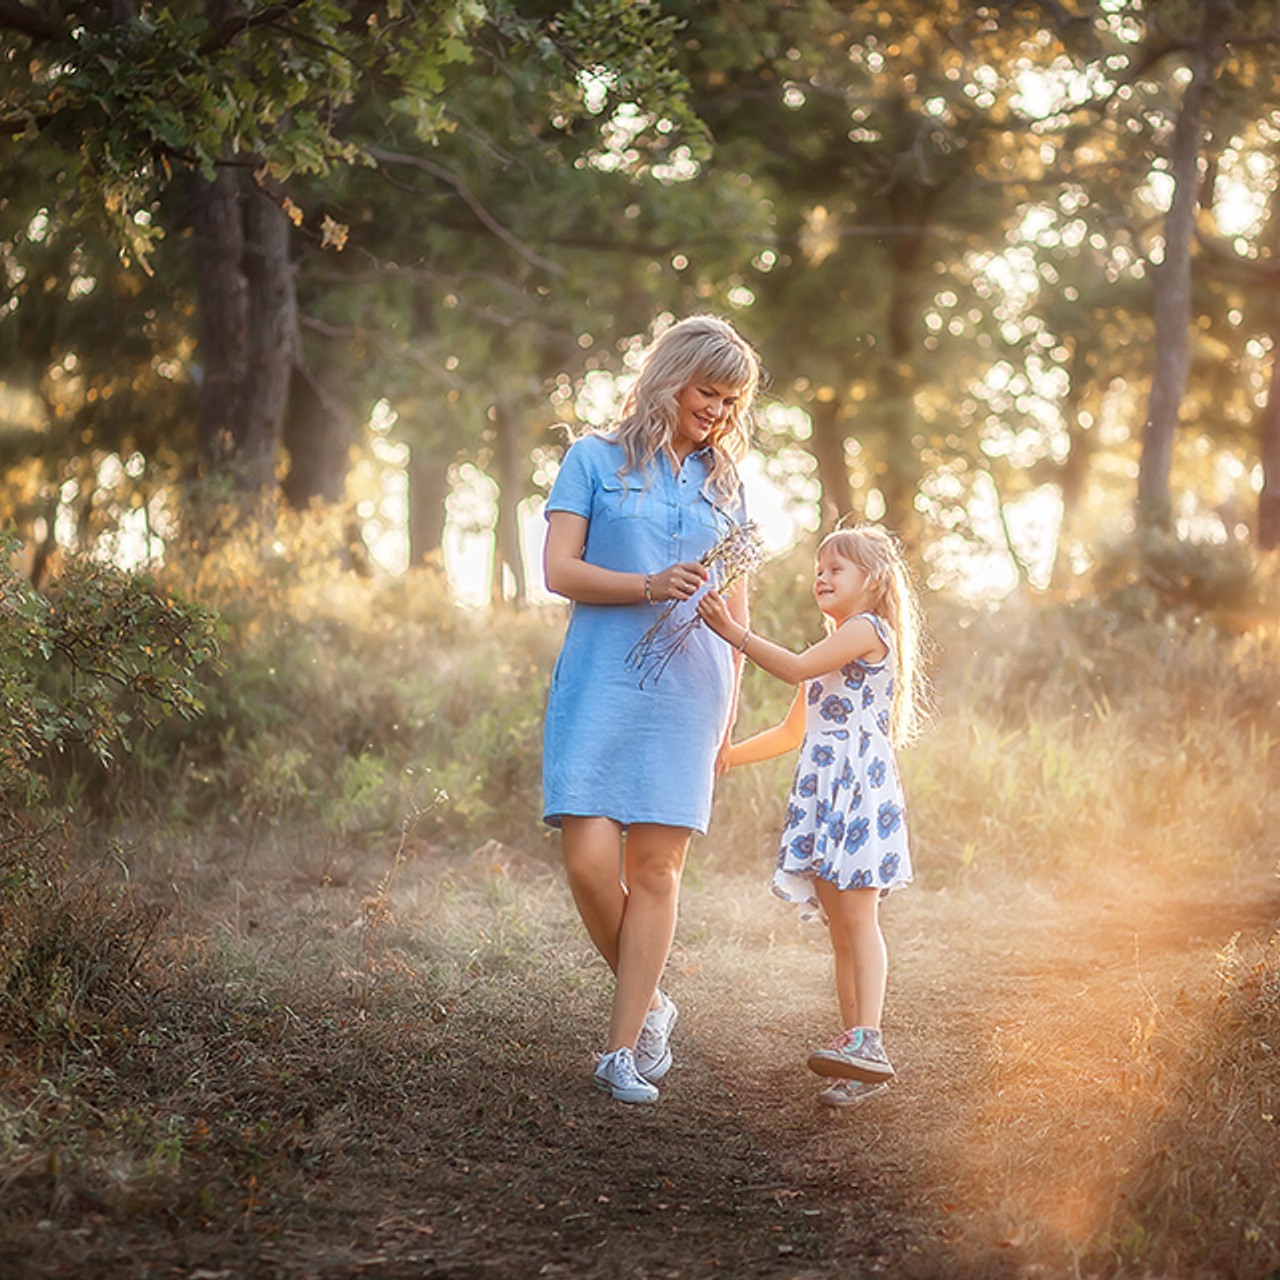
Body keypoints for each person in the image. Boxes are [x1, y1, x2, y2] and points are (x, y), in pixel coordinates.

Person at [542, 315, 762, 1104]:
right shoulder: (591, 460)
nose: (721, 412)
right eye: (710, 392)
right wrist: (644, 585)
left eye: (733, 401)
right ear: (670, 377)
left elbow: (736, 613)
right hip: (599, 682)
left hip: (691, 694)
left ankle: (622, 1050)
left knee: (658, 870)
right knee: (589, 863)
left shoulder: (729, 486)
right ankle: (656, 1000)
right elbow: (558, 570)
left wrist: (730, 708)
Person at [697, 524, 927, 1109]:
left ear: (871, 580)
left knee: (858, 918)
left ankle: (870, 1040)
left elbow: (795, 668)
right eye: (818, 570)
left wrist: (735, 633)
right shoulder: (833, 642)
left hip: (857, 788)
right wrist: (725, 756)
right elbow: (791, 730)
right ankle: (855, 1056)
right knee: (841, 932)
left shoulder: (866, 629)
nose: (821, 577)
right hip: (824, 789)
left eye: (836, 569)